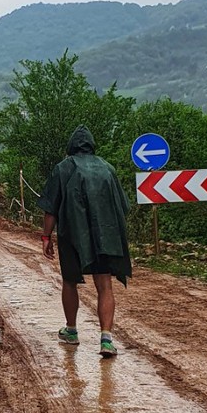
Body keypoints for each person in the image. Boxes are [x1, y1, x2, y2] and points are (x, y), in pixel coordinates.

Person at [38, 125, 132, 358]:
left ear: (71, 146)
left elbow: (51, 208)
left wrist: (46, 236)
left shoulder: (63, 168)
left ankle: (71, 331)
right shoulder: (107, 169)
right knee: (105, 285)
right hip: (105, 235)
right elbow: (123, 207)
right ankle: (106, 339)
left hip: (72, 234)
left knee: (70, 281)